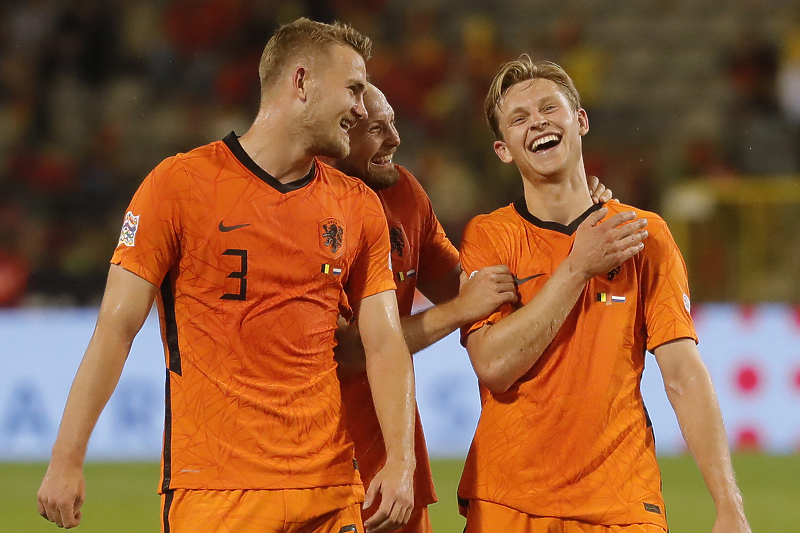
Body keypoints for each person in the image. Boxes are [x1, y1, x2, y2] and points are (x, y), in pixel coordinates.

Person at [37, 18, 417, 533]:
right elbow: (115, 328)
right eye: (352, 88)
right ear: (300, 82)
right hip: (214, 491)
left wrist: (400, 462)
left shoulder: (356, 206)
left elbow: (385, 344)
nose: (360, 106)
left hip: (329, 492)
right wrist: (66, 459)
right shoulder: (178, 185)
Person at [457, 57, 751, 533]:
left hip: (620, 504)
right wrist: (577, 267)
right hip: (509, 504)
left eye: (550, 107)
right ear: (503, 149)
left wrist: (729, 504)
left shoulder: (644, 235)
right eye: (519, 118)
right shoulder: (490, 237)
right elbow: (493, 366)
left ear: (580, 121)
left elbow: (683, 374)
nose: (538, 122)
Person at [327, 84, 614, 533]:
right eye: (377, 128)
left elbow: (480, 289)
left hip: (394, 463)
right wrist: (459, 312)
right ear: (340, 135)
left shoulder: (404, 194)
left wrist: (570, 210)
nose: (395, 138)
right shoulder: (311, 210)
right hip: (324, 463)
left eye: (393, 122)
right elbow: (348, 352)